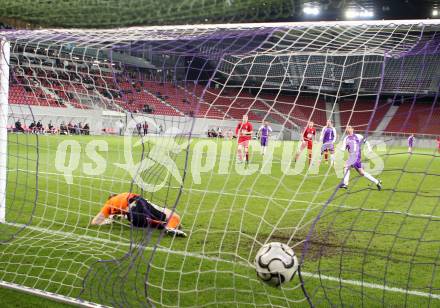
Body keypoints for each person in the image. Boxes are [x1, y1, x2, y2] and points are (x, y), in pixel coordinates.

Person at [90, 192, 186, 237]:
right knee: (174, 216)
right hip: (137, 203)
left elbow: (94, 222)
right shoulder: (124, 194)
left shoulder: (108, 205)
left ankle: (168, 226)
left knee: (157, 223)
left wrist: (105, 221)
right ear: (116, 195)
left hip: (133, 219)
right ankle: (171, 227)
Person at [339, 126, 382, 190]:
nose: (347, 129)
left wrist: (369, 149)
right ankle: (377, 182)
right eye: (347, 128)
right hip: (352, 156)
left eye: (349, 128)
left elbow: (366, 141)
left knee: (346, 166)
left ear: (352, 129)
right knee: (362, 173)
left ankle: (345, 184)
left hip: (356, 156)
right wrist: (337, 149)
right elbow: (343, 148)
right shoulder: (346, 138)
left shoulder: (358, 136)